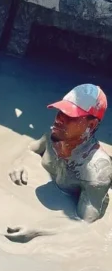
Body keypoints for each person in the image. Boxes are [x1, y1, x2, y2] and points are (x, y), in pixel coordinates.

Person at [6, 84, 111, 242]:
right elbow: (30, 149)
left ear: (91, 125)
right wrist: (19, 163)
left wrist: (37, 231)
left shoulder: (97, 172)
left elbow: (85, 225)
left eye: (70, 116)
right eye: (61, 111)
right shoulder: (54, 136)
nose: (59, 119)